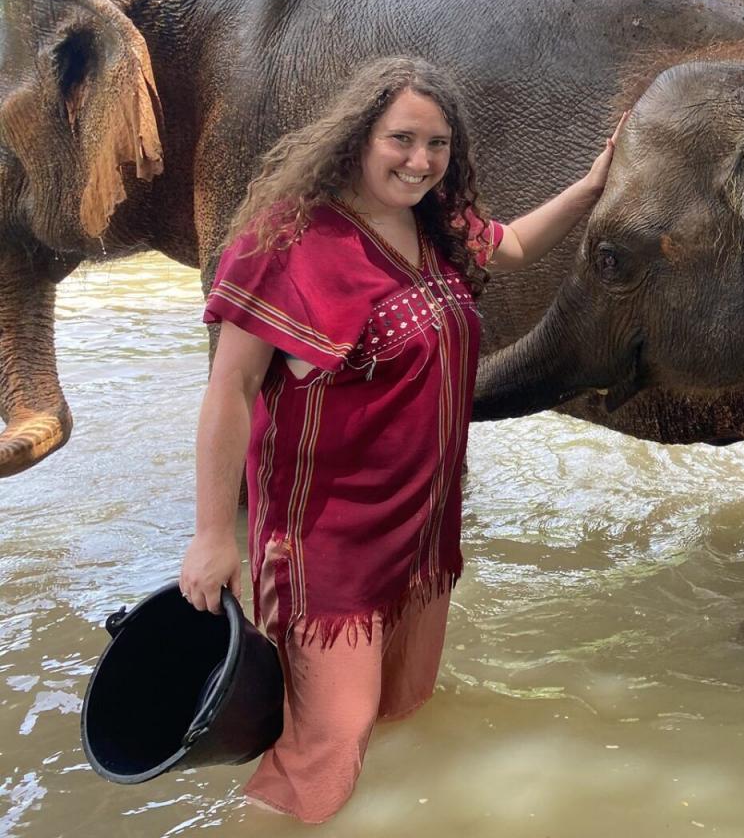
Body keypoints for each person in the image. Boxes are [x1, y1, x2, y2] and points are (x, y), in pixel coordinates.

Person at [178, 56, 624, 822]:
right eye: (402, 139)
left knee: (403, 704)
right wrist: (215, 535)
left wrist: (591, 186)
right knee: (331, 740)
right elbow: (231, 390)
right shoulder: (284, 241)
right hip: (328, 544)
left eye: (438, 144)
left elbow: (511, 246)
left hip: (422, 530)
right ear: (358, 136)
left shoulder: (433, 223)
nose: (420, 162)